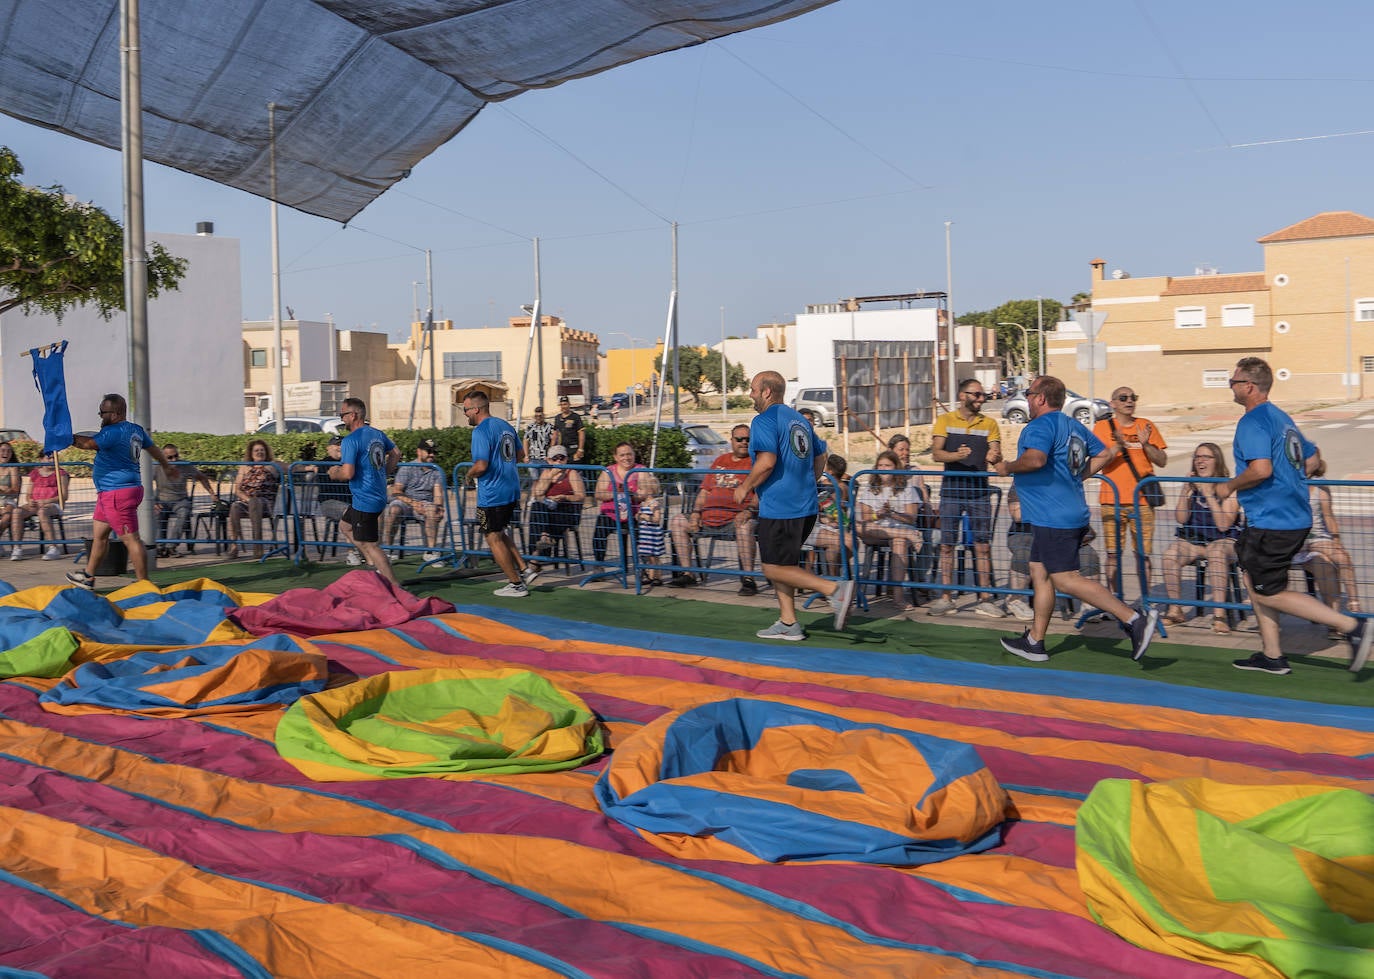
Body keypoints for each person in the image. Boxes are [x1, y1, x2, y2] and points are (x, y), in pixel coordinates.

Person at [1217, 357, 1372, 675]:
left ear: (1249, 386)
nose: (1230, 386)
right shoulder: (1281, 417)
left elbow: (1261, 470)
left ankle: (1352, 627)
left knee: (1269, 591)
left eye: (1233, 382)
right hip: (1289, 517)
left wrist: (1228, 486)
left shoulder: (1252, 421)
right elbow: (1312, 458)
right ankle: (1272, 655)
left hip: (1272, 521)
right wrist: (1291, 480)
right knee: (1253, 580)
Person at [992, 376, 1158, 663]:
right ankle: (1035, 641)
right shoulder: (1072, 425)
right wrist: (1077, 476)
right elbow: (1103, 453)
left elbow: (1035, 460)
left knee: (1066, 580)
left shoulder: (1039, 426)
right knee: (1040, 572)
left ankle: (1133, 619)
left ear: (1041, 398)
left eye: (1029, 393)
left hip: (1053, 516)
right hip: (1062, 512)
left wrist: (1007, 467)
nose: (1026, 398)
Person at [733, 370, 854, 640]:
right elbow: (822, 454)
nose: (750, 395)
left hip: (781, 506)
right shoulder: (799, 419)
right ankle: (788, 622)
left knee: (771, 567)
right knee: (783, 564)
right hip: (806, 506)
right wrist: (808, 480)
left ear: (766, 392)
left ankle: (835, 590)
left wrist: (745, 487)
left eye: (753, 389)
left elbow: (766, 462)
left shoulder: (764, 420)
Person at [66, 393, 178, 589]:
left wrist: (64, 437)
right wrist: (166, 465)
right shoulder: (135, 430)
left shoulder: (112, 432)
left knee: (132, 539)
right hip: (113, 493)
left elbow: (88, 444)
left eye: (103, 412)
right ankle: (88, 576)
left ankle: (144, 584)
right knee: (100, 537)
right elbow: (153, 449)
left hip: (117, 494)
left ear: (116, 414)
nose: (100, 416)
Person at [928, 378, 1004, 617]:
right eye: (977, 394)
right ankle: (946, 597)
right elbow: (936, 454)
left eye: (983, 395)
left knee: (982, 546)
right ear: (963, 396)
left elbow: (997, 452)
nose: (982, 398)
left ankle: (985, 598)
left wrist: (994, 455)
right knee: (947, 545)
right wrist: (956, 456)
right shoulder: (945, 420)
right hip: (951, 491)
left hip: (979, 492)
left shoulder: (990, 423)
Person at [667, 423, 759, 595]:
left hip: (736, 519)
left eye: (748, 439)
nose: (744, 442)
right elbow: (704, 491)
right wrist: (696, 513)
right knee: (678, 521)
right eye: (739, 439)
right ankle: (688, 573)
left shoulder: (756, 463)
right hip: (708, 517)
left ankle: (749, 578)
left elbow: (760, 494)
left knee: (745, 527)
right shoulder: (720, 461)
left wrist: (748, 511)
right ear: (732, 440)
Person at [1093, 386, 1168, 593]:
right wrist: (1118, 445)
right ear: (1113, 404)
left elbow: (1162, 461)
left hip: (1142, 501)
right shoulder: (1102, 427)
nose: (1129, 401)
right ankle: (1114, 600)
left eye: (1133, 397)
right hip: (1112, 501)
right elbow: (1098, 461)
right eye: (1123, 397)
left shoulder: (1146, 425)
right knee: (1112, 554)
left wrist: (1146, 445)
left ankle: (1145, 600)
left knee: (1143, 555)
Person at [1160, 442, 1242, 633]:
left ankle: (1219, 615)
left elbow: (1223, 525)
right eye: (1197, 457)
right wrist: (1185, 492)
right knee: (1170, 554)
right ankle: (1175, 610)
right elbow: (1181, 518)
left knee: (1216, 552)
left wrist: (1208, 494)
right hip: (1196, 541)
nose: (1200, 461)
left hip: (1225, 541)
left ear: (1217, 461)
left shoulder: (1228, 487)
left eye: (1206, 457)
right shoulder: (1193, 487)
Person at [464, 390, 538, 597]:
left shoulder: (480, 431)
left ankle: (516, 584)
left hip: (492, 493)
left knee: (492, 537)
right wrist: (503, 467)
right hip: (510, 489)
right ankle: (525, 569)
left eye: (466, 410)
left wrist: (468, 475)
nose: (465, 414)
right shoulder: (505, 425)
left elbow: (481, 465)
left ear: (476, 409)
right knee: (499, 532)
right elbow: (520, 454)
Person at [328, 397, 401, 585]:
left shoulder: (350, 440)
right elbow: (396, 453)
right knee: (345, 526)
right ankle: (372, 563)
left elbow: (347, 473)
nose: (341, 419)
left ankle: (394, 585)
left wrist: (334, 473)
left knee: (371, 545)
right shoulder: (377, 434)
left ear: (353, 415)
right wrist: (384, 473)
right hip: (374, 495)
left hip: (365, 498)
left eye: (342, 414)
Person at [1005, 485, 1102, 622]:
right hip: (1026, 534)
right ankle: (1015, 599)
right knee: (1025, 552)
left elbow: (1079, 515)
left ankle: (1090, 604)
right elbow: (1018, 516)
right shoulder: (1021, 484)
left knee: (1089, 555)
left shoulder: (1065, 485)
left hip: (1062, 534)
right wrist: (1051, 505)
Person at [855, 450, 925, 612]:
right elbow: (865, 517)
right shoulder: (870, 488)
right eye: (880, 465)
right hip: (877, 530)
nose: (883, 469)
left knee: (899, 542)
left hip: (899, 527)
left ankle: (898, 597)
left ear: (895, 467)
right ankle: (906, 535)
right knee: (858, 526)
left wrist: (892, 514)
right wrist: (878, 514)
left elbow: (911, 518)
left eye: (887, 465)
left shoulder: (906, 488)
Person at [1301, 459, 1361, 632]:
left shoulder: (1320, 487)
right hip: (1296, 540)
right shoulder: (1288, 483)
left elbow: (1329, 517)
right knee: (1324, 564)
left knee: (1341, 558)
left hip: (1319, 538)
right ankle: (1334, 619)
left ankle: (1353, 605)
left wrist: (1337, 541)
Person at [592, 442, 660, 565]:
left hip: (634, 514)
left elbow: (646, 493)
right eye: (622, 455)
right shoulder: (608, 471)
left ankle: (646, 566)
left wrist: (630, 494)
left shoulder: (641, 470)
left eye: (629, 454)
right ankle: (599, 565)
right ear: (615, 457)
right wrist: (617, 494)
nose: (626, 458)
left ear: (634, 455)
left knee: (643, 533)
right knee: (599, 533)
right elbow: (598, 494)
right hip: (611, 513)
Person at [383, 438, 445, 562]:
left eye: (434, 452)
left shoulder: (436, 471)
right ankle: (388, 550)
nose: (432, 454)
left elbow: (438, 494)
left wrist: (439, 507)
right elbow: (396, 491)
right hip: (405, 501)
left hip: (425, 503)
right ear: (419, 452)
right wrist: (413, 503)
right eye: (428, 451)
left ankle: (430, 552)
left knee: (433, 511)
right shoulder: (407, 468)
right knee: (394, 509)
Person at [527, 444, 587, 569]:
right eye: (555, 458)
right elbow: (538, 493)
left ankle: (535, 559)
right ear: (549, 460)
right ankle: (543, 541)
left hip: (567, 510)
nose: (558, 461)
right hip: (549, 509)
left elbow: (581, 496)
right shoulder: (546, 473)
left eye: (561, 458)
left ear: (566, 459)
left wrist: (565, 497)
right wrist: (550, 476)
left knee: (543, 520)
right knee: (537, 507)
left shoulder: (572, 473)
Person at [309, 435, 365, 566]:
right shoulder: (323, 463)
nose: (340, 447)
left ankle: (376, 549)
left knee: (372, 512)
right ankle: (352, 553)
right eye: (337, 444)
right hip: (329, 503)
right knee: (350, 513)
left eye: (342, 445)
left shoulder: (352, 463)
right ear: (328, 448)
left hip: (352, 502)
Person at [152, 443, 213, 558]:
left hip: (180, 500)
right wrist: (153, 501)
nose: (174, 460)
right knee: (158, 513)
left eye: (176, 456)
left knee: (184, 513)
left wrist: (212, 494)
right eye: (170, 457)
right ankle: (160, 547)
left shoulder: (185, 465)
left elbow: (202, 477)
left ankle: (171, 546)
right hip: (162, 500)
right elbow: (144, 482)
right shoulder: (156, 466)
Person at [226, 439, 280, 559]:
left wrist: (310, 467)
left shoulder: (273, 465)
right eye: (256, 450)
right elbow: (237, 490)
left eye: (262, 450)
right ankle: (234, 546)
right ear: (251, 453)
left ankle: (258, 547)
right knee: (235, 506)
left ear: (266, 452)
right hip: (247, 501)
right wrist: (248, 499)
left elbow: (293, 467)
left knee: (256, 502)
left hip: (265, 502)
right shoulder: (244, 467)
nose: (259, 452)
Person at [12, 451, 69, 560]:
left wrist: (46, 501)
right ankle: (17, 548)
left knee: (42, 512)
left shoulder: (61, 474)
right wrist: (30, 500)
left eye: (54, 458)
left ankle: (53, 548)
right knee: (16, 512)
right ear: (41, 459)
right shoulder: (35, 473)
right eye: (49, 458)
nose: (52, 460)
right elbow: (28, 494)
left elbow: (64, 496)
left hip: (53, 504)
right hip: (35, 504)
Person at [804, 454, 850, 576]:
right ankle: (831, 576)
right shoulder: (837, 486)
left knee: (848, 542)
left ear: (829, 471)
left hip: (831, 523)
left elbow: (837, 513)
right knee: (837, 542)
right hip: (815, 525)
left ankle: (833, 576)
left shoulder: (835, 487)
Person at [0, 441, 21, 555]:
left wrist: (6, 490)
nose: (6, 453)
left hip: (8, 499)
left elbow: (15, 489)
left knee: (6, 516)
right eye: (3, 450)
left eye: (9, 451)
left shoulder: (13, 468)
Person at [552, 396, 586, 463]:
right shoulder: (557, 418)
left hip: (574, 449)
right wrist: (552, 448)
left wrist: (580, 449)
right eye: (561, 405)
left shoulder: (575, 417)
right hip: (562, 450)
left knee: (575, 468)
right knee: (563, 468)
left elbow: (581, 433)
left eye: (565, 404)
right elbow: (555, 435)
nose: (563, 407)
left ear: (569, 404)